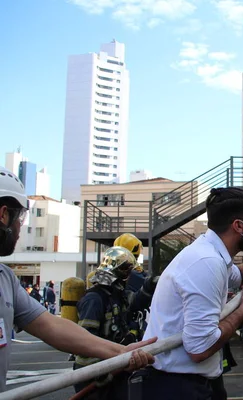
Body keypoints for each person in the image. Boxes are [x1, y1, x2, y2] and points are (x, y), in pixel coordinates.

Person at [0, 166, 156, 393]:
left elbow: (51, 325)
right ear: (3, 214)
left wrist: (120, 352)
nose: (20, 226)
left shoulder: (6, 279)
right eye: (21, 216)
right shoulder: (95, 297)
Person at [135, 187, 243, 399]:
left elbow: (237, 275)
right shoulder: (206, 262)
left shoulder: (211, 253)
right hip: (179, 386)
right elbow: (200, 348)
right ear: (239, 226)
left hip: (197, 380)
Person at [74, 245, 159, 398]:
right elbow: (84, 346)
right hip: (95, 378)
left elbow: (136, 302)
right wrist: (103, 375)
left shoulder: (118, 296)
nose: (129, 274)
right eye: (126, 269)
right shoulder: (94, 300)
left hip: (116, 370)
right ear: (116, 269)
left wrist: (151, 284)